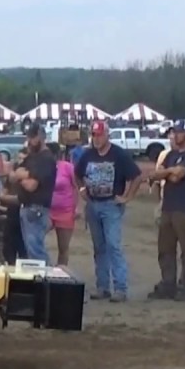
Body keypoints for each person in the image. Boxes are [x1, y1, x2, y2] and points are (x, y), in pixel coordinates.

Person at [74, 121, 141, 302]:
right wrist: (82, 190)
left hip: (111, 205)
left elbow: (137, 176)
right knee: (99, 248)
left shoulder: (119, 154)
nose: (96, 138)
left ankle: (120, 288)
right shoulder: (88, 155)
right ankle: (102, 286)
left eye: (99, 135)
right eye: (94, 135)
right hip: (93, 204)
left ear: (107, 135)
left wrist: (127, 197)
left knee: (113, 246)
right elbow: (77, 174)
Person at [147, 120, 185, 301]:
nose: (175, 135)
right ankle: (168, 283)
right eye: (174, 132)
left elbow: (178, 175)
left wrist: (169, 172)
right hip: (168, 206)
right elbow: (156, 174)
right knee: (165, 248)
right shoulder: (170, 154)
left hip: (184, 208)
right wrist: (169, 173)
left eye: (178, 132)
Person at [8, 124, 56, 264]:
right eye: (28, 137)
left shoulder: (46, 159)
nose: (29, 140)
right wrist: (20, 175)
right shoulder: (33, 157)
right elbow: (12, 175)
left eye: (32, 137)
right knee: (30, 250)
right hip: (26, 207)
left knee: (36, 250)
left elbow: (31, 186)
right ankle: (40, 281)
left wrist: (19, 176)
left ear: (41, 136)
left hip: (36, 208)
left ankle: (48, 281)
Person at [49, 153, 79, 267]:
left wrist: (77, 207)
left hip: (65, 211)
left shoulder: (67, 167)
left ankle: (61, 272)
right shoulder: (45, 166)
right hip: (48, 210)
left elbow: (77, 187)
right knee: (35, 237)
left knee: (63, 246)